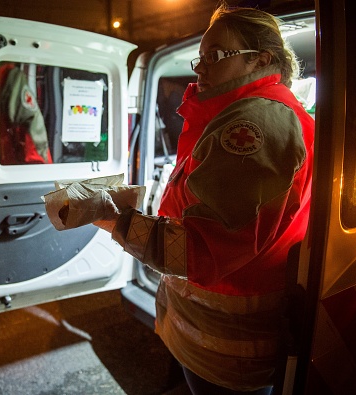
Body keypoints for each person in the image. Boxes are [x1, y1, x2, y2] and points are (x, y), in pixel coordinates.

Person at [93, 4, 314, 395]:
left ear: (260, 59)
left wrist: (115, 218)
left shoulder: (255, 126)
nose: (200, 67)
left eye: (215, 56)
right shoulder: (236, 113)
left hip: (227, 353)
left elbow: (199, 252)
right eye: (201, 56)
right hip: (208, 339)